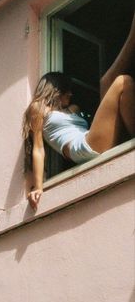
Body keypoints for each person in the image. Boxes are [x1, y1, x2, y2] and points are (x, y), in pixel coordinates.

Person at [23, 13, 135, 210]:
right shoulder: (38, 109)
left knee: (106, 82)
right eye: (67, 91)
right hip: (83, 148)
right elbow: (39, 148)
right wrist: (38, 186)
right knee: (122, 82)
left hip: (93, 139)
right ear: (56, 90)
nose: (71, 95)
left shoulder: (72, 109)